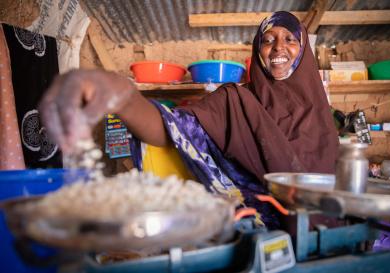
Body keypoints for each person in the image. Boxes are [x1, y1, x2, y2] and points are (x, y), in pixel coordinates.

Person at [39, 11, 339, 229]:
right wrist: (123, 97)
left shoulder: (321, 112)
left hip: (325, 232)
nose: (278, 48)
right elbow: (171, 129)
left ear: (304, 50)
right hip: (254, 228)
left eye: (290, 39)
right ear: (257, 50)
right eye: (268, 40)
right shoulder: (235, 100)